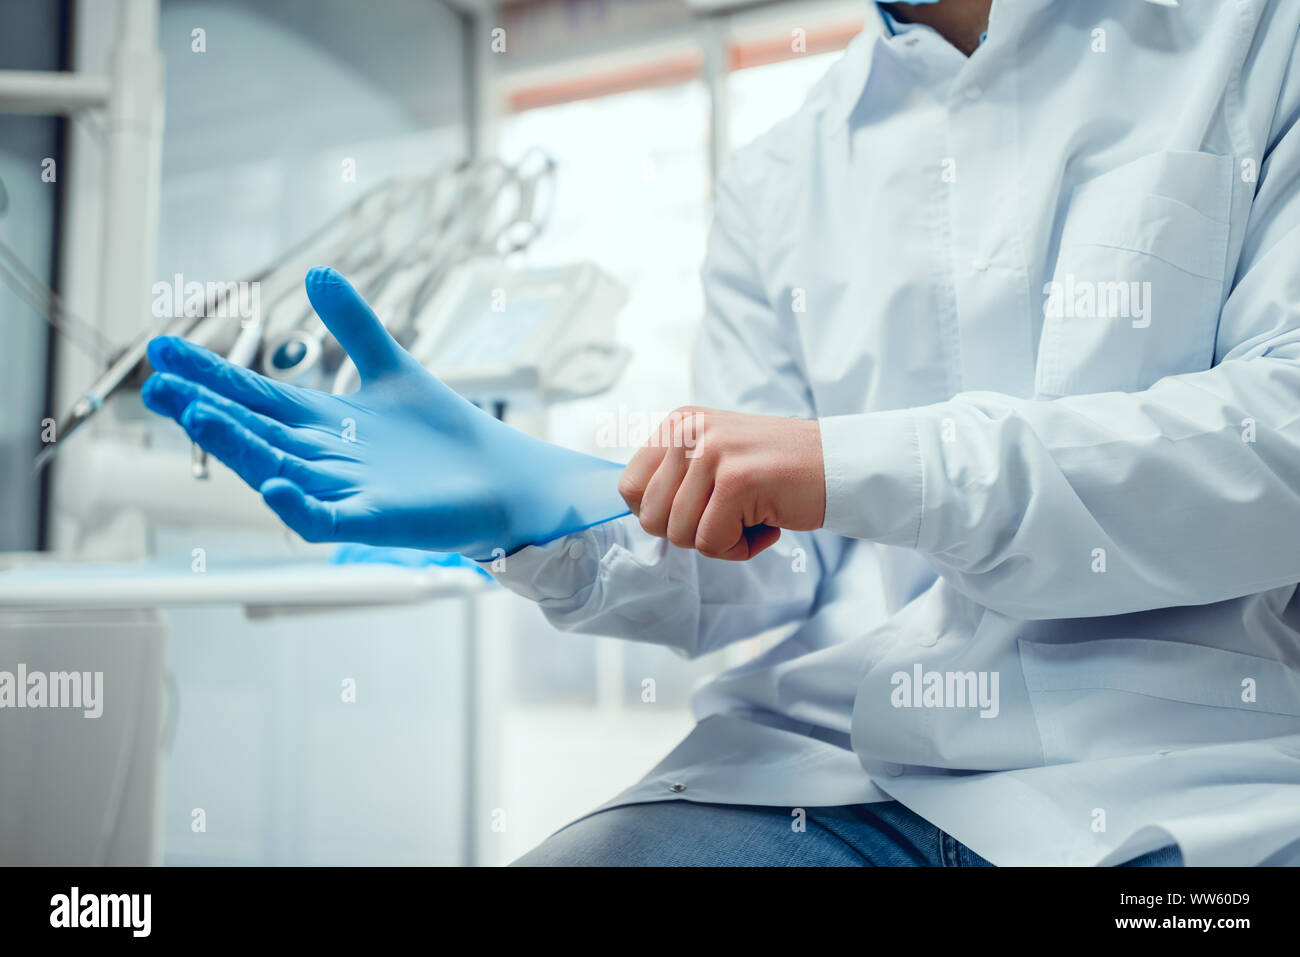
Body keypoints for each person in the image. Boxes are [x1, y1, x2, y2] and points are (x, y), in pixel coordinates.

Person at [144, 0, 1300, 866]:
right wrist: (560, 520)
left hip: (1190, 781)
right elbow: (773, 564)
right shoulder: (781, 173)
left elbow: (1279, 442)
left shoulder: (1252, 37)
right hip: (831, 774)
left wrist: (842, 463)